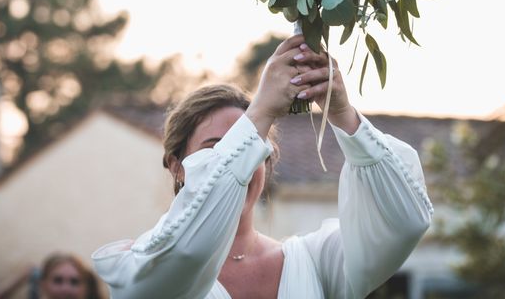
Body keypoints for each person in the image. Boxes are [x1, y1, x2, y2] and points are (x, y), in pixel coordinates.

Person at [92, 35, 433, 298]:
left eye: (251, 151)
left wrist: (343, 113)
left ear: (267, 165)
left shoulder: (318, 261)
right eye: (216, 149)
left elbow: (402, 222)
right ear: (176, 167)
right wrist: (258, 116)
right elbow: (187, 249)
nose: (238, 163)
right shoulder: (143, 266)